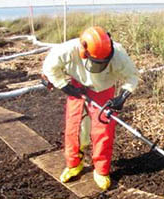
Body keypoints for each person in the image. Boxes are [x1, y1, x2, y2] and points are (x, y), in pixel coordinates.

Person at [42, 26, 139, 190]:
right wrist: (65, 87)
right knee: (73, 126)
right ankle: (74, 164)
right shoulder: (66, 50)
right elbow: (49, 68)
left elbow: (132, 76)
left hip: (104, 89)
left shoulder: (118, 54)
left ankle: (101, 171)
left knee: (103, 130)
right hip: (77, 85)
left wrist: (121, 97)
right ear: (83, 52)